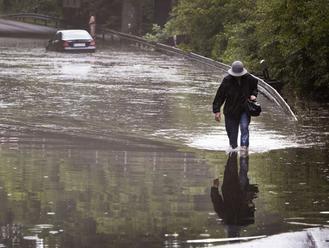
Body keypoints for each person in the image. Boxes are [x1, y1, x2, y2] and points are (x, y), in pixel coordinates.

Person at [210, 152, 258, 238]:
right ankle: (235, 149)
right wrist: (214, 188)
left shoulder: (245, 221)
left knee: (243, 170)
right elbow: (217, 202)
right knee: (232, 164)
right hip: (230, 189)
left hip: (241, 192)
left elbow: (251, 207)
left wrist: (250, 202)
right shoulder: (225, 219)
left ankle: (242, 151)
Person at [213, 61, 258, 150]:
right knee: (232, 133)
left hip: (244, 109)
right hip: (230, 110)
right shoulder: (227, 80)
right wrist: (217, 110)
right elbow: (220, 96)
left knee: (244, 127)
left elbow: (254, 87)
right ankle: (233, 148)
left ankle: (244, 148)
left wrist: (253, 94)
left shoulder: (249, 78)